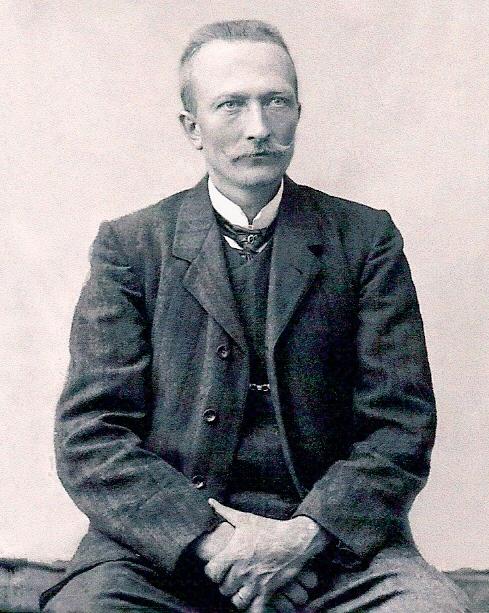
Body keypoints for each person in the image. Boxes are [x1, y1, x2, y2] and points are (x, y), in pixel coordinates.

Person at [41, 20, 470, 613]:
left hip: (332, 551)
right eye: (231, 105)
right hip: (161, 553)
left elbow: (400, 423)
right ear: (192, 127)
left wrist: (305, 537)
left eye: (277, 102)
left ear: (298, 112)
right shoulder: (132, 247)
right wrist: (216, 544)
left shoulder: (365, 239)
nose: (259, 128)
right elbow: (91, 434)